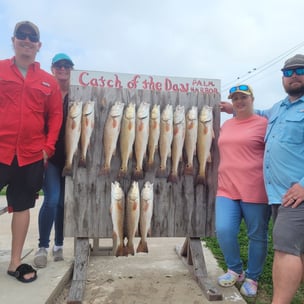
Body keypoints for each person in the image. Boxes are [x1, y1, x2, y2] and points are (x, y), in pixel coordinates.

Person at [220, 54, 304, 303]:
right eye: (288, 73)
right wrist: (231, 107)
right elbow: (258, 113)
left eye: (299, 71)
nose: (293, 76)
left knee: (285, 249)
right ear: (282, 78)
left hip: (295, 193)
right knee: (296, 249)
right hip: (278, 193)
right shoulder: (279, 107)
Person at [0, 21, 62, 282]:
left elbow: (56, 116)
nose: (26, 40)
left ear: (39, 45)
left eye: (32, 37)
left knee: (23, 206)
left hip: (31, 156)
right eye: (21, 36)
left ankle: (15, 262)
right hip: (1, 151)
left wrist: (48, 148)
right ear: (13, 40)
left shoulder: (48, 82)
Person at [216, 85, 270, 298]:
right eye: (235, 98)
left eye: (243, 97)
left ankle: (253, 277)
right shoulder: (227, 125)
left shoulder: (265, 123)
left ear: (252, 99)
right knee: (223, 229)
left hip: (255, 189)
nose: (239, 101)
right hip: (226, 188)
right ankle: (235, 270)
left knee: (257, 236)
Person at [33, 53, 74, 268]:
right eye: (59, 66)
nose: (63, 69)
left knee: (61, 205)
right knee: (52, 199)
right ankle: (42, 246)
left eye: (67, 66)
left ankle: (58, 246)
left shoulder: (78, 94)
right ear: (52, 69)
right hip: (51, 156)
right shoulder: (47, 91)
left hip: (71, 158)